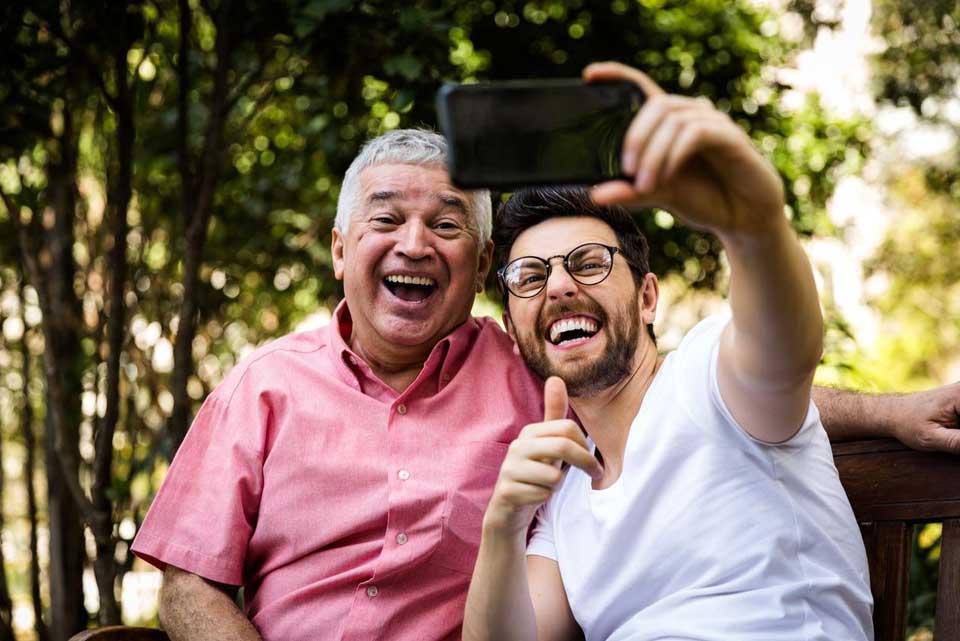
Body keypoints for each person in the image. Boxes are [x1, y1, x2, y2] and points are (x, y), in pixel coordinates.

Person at [132, 118, 960, 640]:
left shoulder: (634, 372)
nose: (415, 242)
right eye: (386, 219)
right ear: (343, 249)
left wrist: (751, 223)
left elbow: (760, 371)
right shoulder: (265, 384)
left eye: (447, 224)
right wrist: (503, 521)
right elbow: (188, 585)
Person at [463, 63, 874, 640]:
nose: (558, 287)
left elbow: (787, 343)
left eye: (588, 263)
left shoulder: (709, 377)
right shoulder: (565, 491)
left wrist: (754, 226)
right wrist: (503, 524)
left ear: (647, 297)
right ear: (513, 327)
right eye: (530, 276)